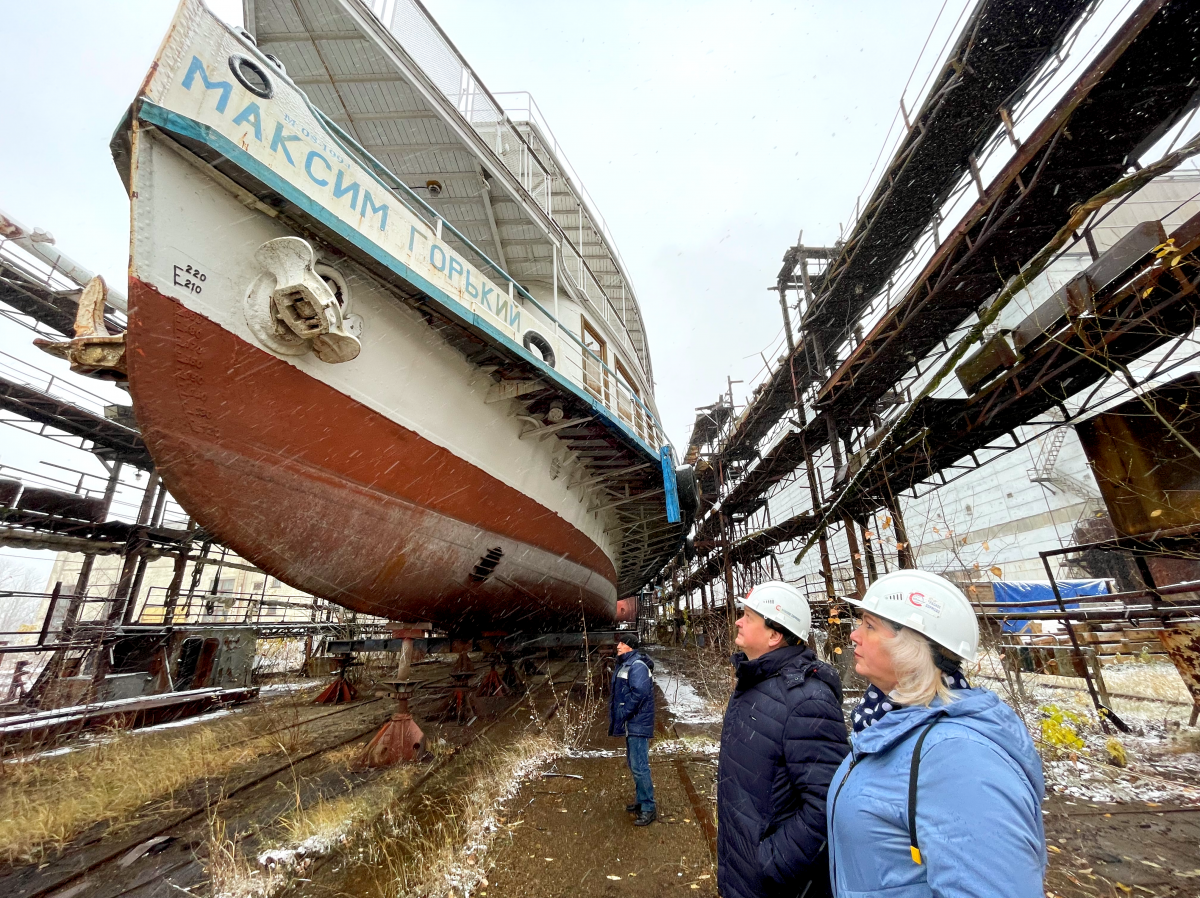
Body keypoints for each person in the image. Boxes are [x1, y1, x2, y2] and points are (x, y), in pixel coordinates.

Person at [827, 569, 1047, 898]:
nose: (854, 636)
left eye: (869, 625)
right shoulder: (887, 724)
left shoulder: (959, 758)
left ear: (912, 647)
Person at [717, 581, 849, 898]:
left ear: (774, 635)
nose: (738, 621)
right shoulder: (757, 681)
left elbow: (827, 804)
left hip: (772, 884)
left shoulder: (806, 700)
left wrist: (769, 862)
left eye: (748, 617)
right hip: (743, 874)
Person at [609, 633, 656, 825]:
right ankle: (641, 800)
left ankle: (648, 807)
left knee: (639, 766)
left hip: (637, 723)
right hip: (633, 723)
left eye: (622, 643)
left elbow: (640, 693)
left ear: (631, 647)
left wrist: (624, 711)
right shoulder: (627, 664)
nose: (618, 646)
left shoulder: (636, 666)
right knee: (634, 764)